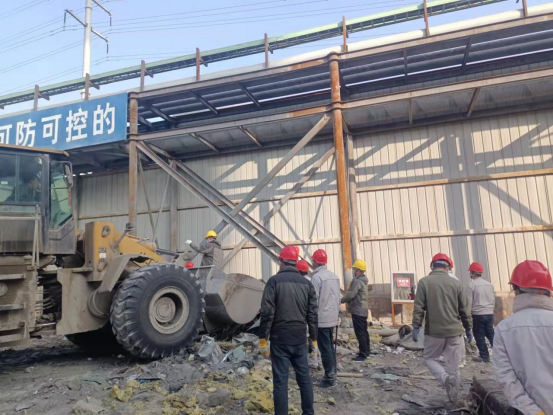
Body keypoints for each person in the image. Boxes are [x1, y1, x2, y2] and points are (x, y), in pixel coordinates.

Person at [259, 246, 318, 415]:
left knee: (280, 383)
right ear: (296, 262)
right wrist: (313, 339)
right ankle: (308, 412)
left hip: (280, 339)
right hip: (300, 338)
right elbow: (312, 315)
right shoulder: (307, 284)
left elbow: (267, 313)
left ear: (281, 261)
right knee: (304, 379)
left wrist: (263, 339)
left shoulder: (273, 282)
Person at [493, 260, 553, 415]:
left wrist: (535, 412)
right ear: (548, 291)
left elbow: (508, 380)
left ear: (516, 290)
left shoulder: (504, 329)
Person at [412, 253, 472, 403]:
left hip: (434, 332)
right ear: (449, 267)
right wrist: (469, 328)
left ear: (432, 266)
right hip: (454, 332)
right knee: (453, 367)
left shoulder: (424, 282)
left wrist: (416, 326)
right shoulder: (457, 284)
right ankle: (455, 398)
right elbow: (464, 309)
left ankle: (445, 380)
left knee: (430, 358)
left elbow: (419, 308)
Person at [310, 249, 341, 387]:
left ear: (315, 262)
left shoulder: (316, 278)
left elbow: (313, 300)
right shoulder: (334, 276)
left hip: (322, 318)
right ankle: (333, 372)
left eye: (313, 261)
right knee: (329, 346)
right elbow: (337, 298)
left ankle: (329, 377)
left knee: (325, 349)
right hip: (332, 317)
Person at [341, 259, 371, 362]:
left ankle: (363, 354)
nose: (354, 271)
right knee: (364, 331)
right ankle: (367, 351)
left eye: (354, 269)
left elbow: (350, 295)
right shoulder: (364, 281)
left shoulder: (357, 281)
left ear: (358, 270)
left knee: (360, 333)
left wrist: (341, 300)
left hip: (357, 310)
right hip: (363, 309)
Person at [466, 262, 495, 363]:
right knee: (491, 334)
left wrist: (467, 316)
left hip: (478, 314)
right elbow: (493, 300)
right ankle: (501, 354)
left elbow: (469, 302)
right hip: (489, 313)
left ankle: (484, 356)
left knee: (479, 335)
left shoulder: (471, 285)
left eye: (471, 272)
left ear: (473, 272)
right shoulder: (489, 285)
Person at [297, 259, 321, 371]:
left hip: (305, 316)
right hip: (315, 315)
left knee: (306, 340)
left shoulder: (300, 283)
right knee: (314, 338)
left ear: (298, 271)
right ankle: (318, 361)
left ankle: (312, 362)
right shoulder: (312, 281)